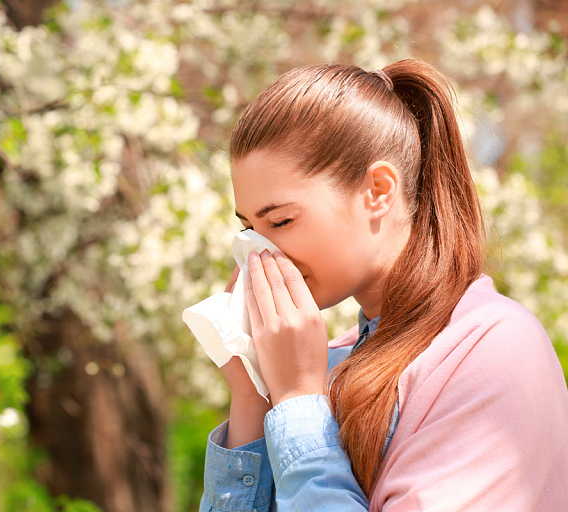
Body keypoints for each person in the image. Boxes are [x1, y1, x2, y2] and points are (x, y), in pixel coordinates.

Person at [199, 59, 568, 511]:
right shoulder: (330, 363)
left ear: (377, 190)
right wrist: (254, 396)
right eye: (250, 229)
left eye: (281, 220)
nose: (260, 253)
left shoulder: (492, 349)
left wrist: (297, 401)